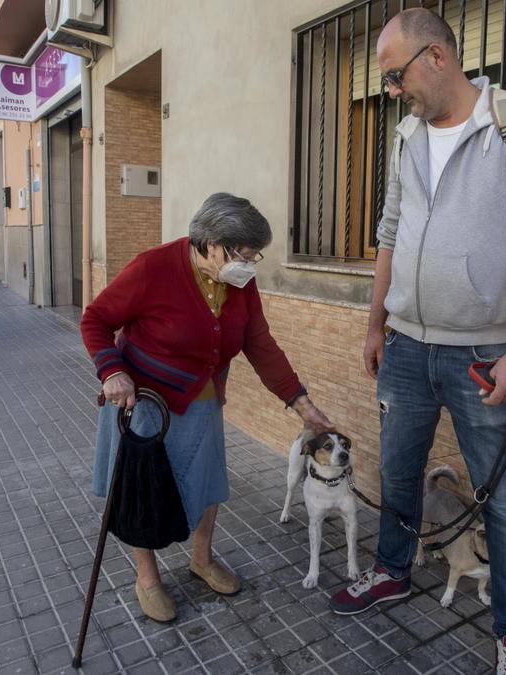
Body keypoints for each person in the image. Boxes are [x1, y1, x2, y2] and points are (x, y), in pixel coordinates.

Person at [327, 9, 506, 674]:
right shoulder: (406, 136)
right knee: (398, 470)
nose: (391, 90)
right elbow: (388, 232)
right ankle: (392, 570)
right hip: (406, 345)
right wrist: (376, 323)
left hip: (482, 357)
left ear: (437, 57)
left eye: (394, 75)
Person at [82, 192, 334, 622]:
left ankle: (202, 559)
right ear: (212, 243)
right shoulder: (152, 268)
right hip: (144, 405)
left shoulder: (239, 282)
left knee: (207, 484)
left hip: (202, 403)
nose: (251, 264)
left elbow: (259, 344)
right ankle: (147, 578)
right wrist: (111, 371)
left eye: (257, 256)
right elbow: (95, 320)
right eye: (245, 254)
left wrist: (300, 402)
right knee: (139, 491)